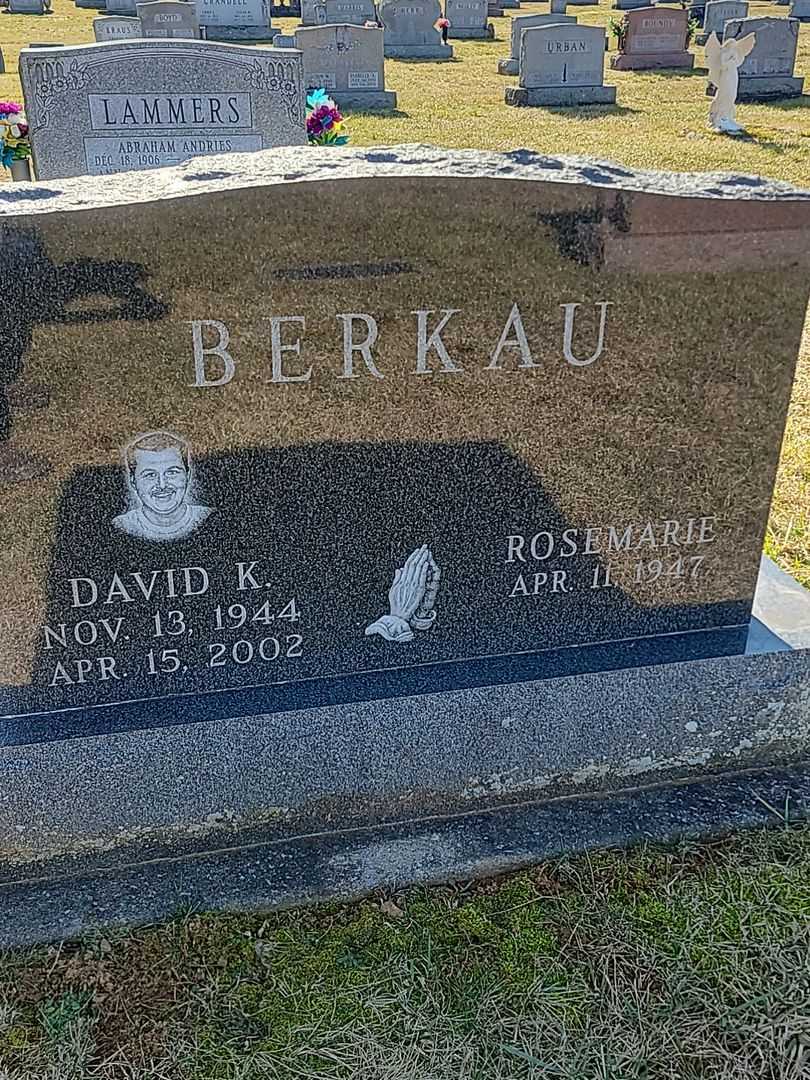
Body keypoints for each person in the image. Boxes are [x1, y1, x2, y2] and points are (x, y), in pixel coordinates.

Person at [113, 430, 211, 542]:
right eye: (150, 475)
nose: (162, 485)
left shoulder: (208, 518)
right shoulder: (120, 527)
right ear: (133, 481)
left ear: (188, 475)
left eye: (172, 473)